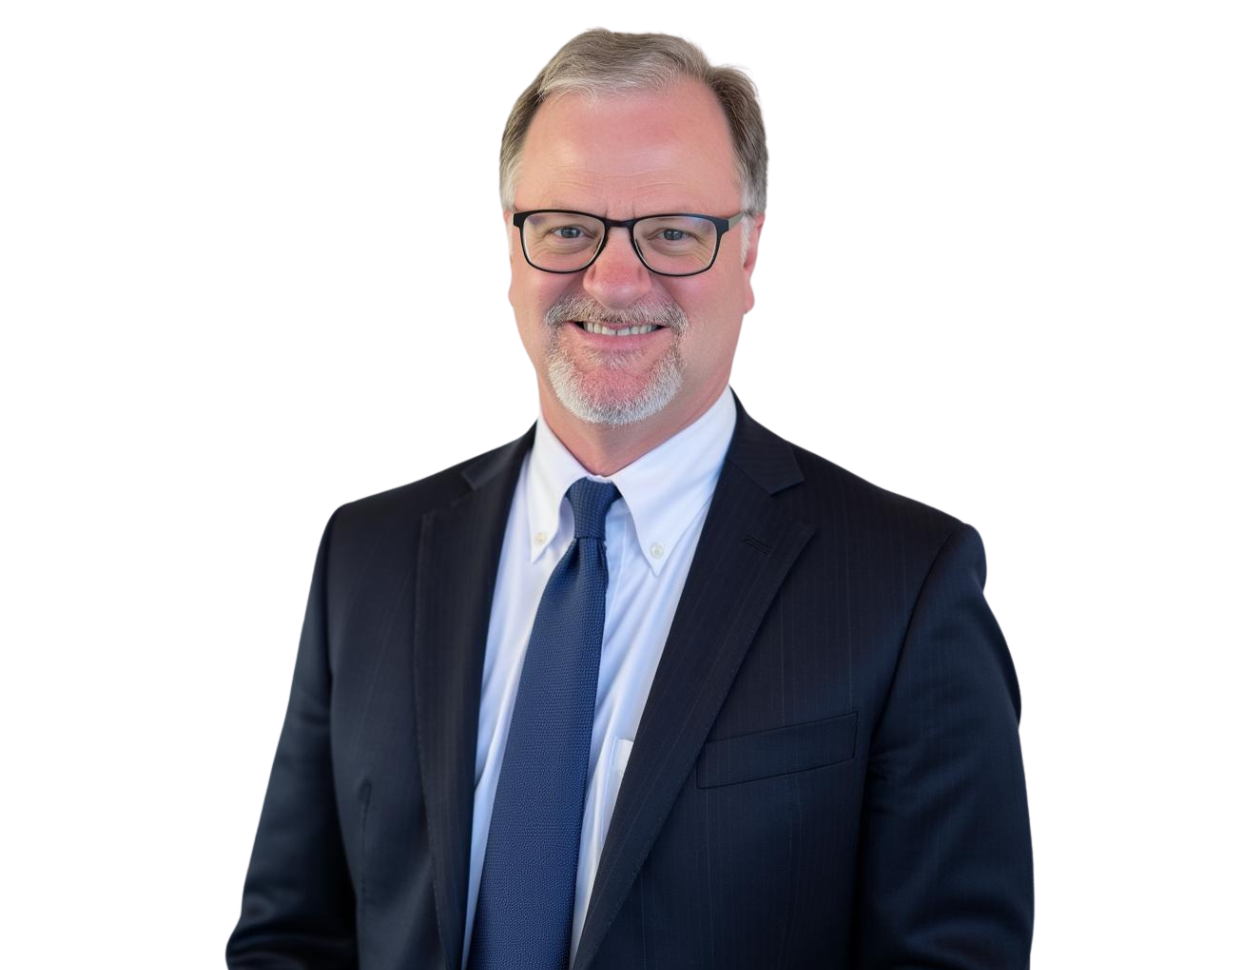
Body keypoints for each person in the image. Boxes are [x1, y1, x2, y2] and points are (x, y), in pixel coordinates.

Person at [226, 27, 1034, 970]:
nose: (613, 280)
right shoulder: (365, 551)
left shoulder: (907, 583)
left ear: (749, 255)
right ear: (511, 249)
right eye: (568, 227)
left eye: (673, 233)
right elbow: (288, 939)